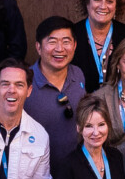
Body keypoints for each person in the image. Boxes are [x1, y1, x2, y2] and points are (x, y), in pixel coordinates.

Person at [24, 15, 91, 165]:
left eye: (66, 42)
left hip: (75, 169)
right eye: (52, 42)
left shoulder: (78, 74)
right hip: (37, 172)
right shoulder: (24, 81)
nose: (60, 49)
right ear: (38, 47)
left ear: (74, 45)